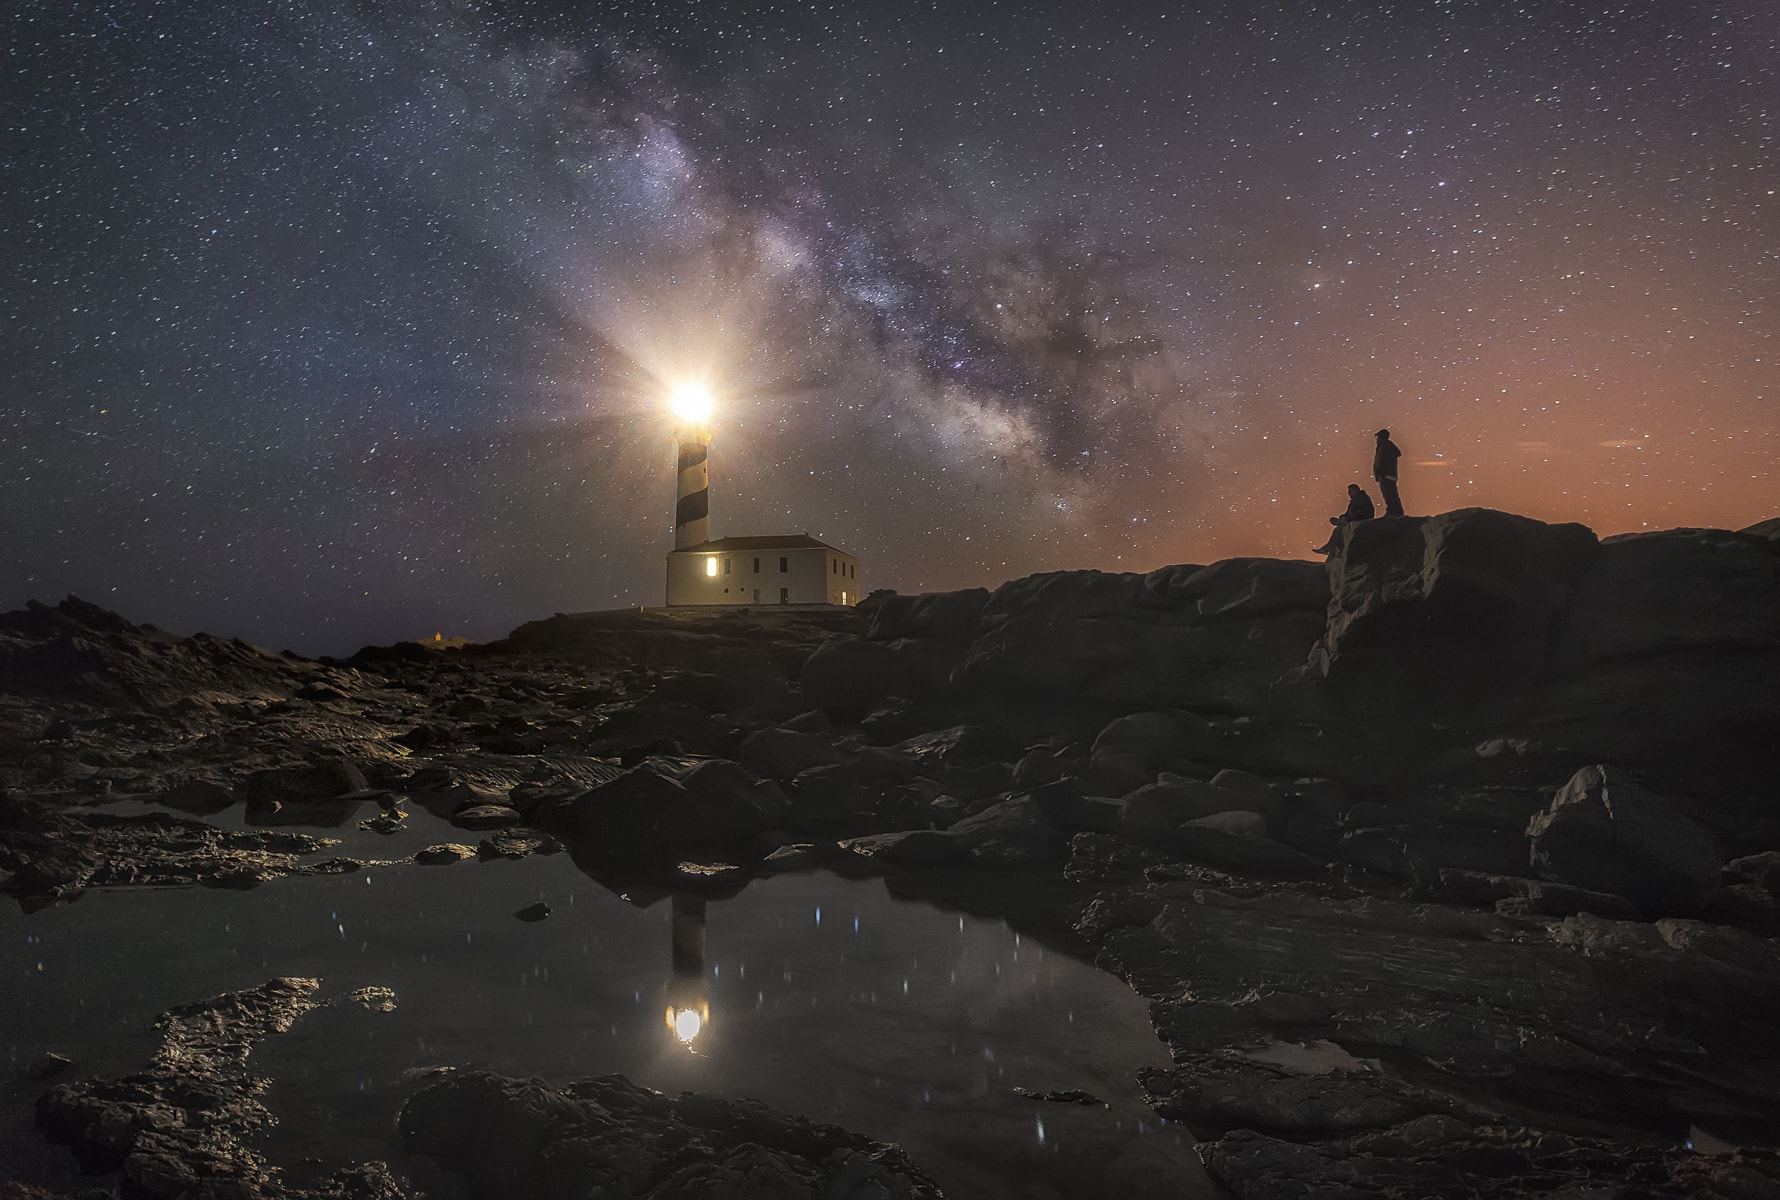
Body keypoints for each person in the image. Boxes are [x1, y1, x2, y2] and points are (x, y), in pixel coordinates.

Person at [1313, 483, 1374, 553]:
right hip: (1353, 520)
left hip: (1361, 520)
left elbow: (1363, 512)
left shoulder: (1363, 498)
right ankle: (1330, 549)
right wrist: (1343, 517)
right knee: (1337, 528)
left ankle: (1328, 549)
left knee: (1338, 529)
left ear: (1355, 490)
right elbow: (1348, 513)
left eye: (1350, 491)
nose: (1349, 493)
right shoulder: (1354, 501)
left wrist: (1349, 519)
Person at [1373, 429, 1404, 517]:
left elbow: (1381, 460)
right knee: (1392, 494)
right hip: (1388, 474)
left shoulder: (1384, 446)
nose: (1376, 439)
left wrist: (1380, 472)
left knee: (1389, 495)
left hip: (1385, 475)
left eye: (1378, 437)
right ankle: (1396, 512)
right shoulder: (1387, 446)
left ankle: (1393, 512)